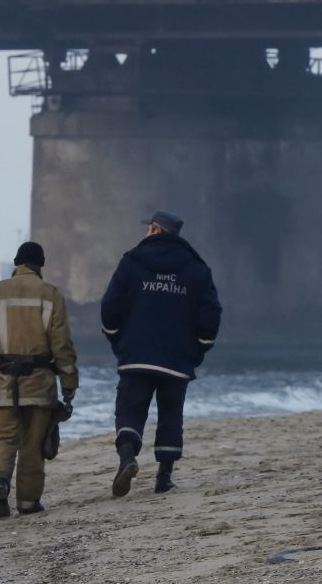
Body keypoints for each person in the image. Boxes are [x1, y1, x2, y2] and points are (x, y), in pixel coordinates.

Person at [100, 210, 222, 496]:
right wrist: (200, 347)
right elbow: (211, 315)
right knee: (171, 414)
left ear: (155, 230)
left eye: (148, 228)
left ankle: (128, 457)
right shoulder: (196, 268)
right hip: (176, 360)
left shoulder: (132, 261)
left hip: (136, 354)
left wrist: (116, 339)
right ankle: (164, 477)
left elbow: (110, 306)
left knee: (130, 409)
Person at [0, 241, 79, 519]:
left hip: (1, 384)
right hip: (40, 386)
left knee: (0, 438)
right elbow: (62, 346)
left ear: (16, 263)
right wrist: (69, 383)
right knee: (33, 445)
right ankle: (29, 502)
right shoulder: (50, 294)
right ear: (39, 266)